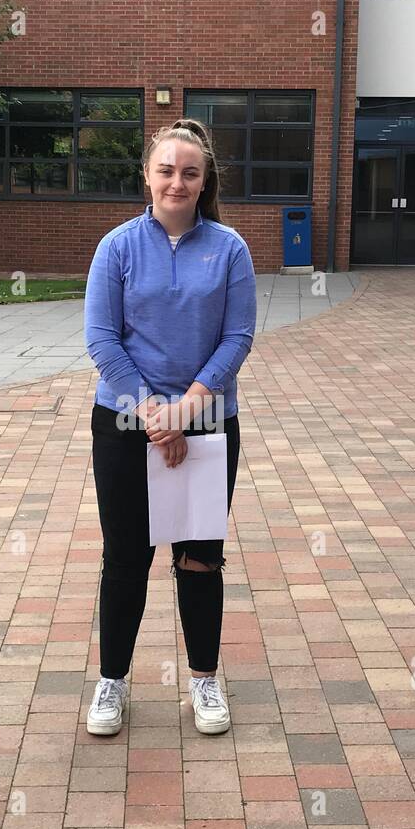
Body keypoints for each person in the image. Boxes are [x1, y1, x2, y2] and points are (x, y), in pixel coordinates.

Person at [83, 118, 256, 737]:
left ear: (205, 180)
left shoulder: (230, 249)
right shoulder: (119, 247)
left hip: (208, 418)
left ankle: (204, 679)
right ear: (148, 176)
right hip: (126, 421)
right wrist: (154, 414)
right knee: (125, 557)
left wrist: (187, 410)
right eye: (166, 170)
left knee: (199, 555)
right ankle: (113, 682)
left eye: (190, 172)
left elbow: (237, 337)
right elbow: (101, 338)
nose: (176, 182)